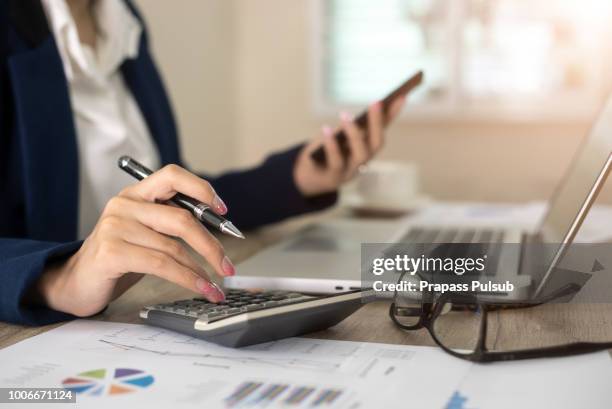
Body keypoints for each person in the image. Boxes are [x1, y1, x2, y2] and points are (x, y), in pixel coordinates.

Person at [0, 0, 406, 325]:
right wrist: (58, 277)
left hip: (139, 305)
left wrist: (299, 178)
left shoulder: (124, 22)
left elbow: (176, 199)